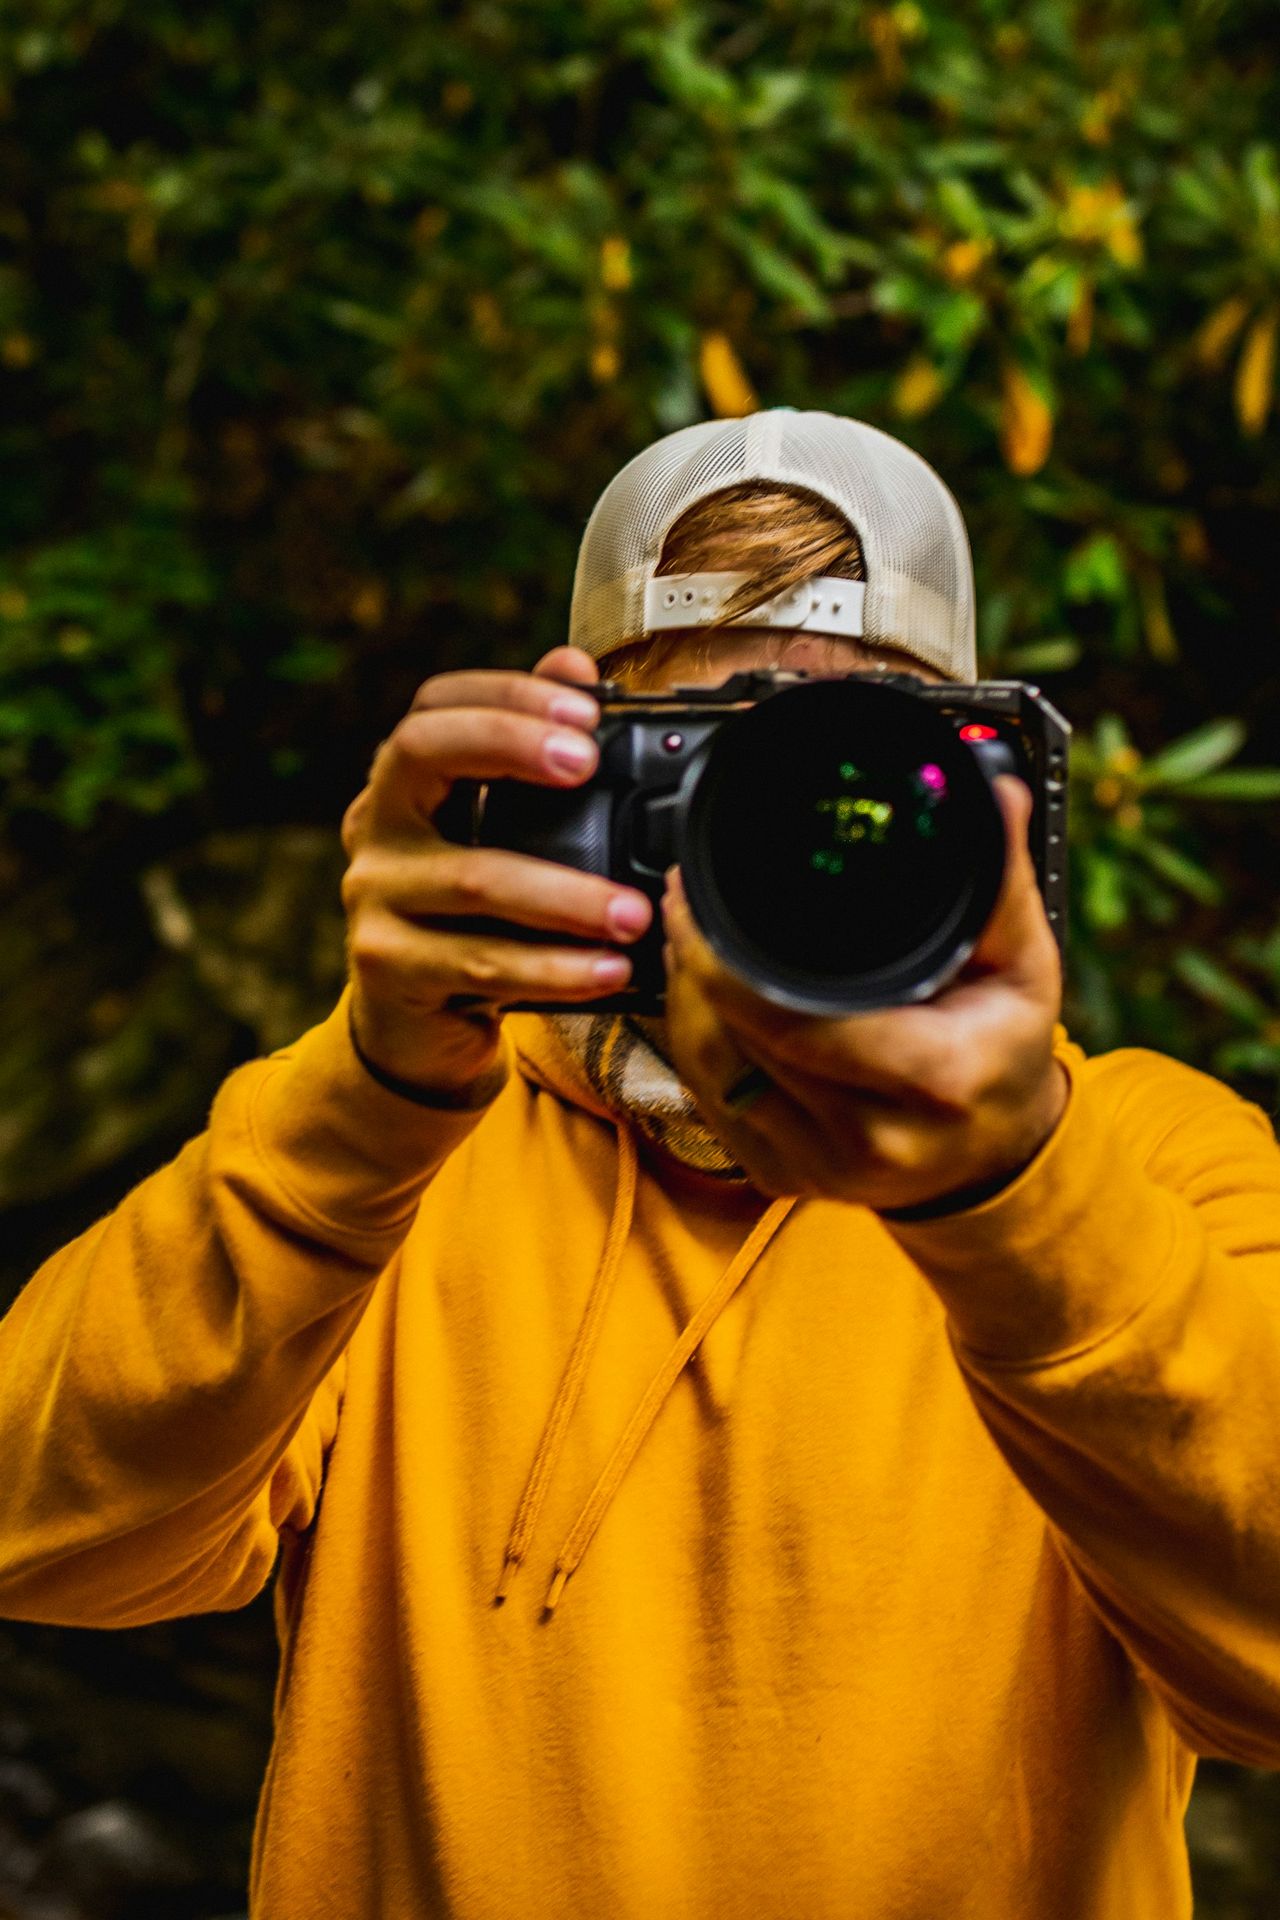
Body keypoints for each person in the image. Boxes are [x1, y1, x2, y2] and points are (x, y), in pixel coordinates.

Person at [1, 409, 1278, 1920]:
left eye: (855, 771)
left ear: (992, 800)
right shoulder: (398, 1155)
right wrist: (372, 1092)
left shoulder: (1142, 1165)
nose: (787, 846)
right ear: (573, 795)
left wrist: (1006, 1199)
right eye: (703, 770)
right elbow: (43, 1533)